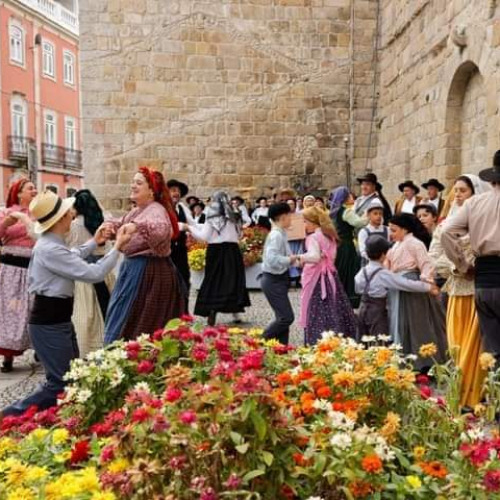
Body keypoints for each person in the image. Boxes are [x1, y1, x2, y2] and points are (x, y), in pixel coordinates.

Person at [0, 190, 130, 418]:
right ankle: (9, 416)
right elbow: (95, 273)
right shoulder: (50, 248)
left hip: (56, 321)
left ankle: (54, 419)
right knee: (60, 383)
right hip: (49, 324)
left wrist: (94, 243)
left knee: (69, 377)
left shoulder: (52, 243)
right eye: (68, 212)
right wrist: (117, 247)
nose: (72, 214)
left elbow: (72, 254)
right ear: (60, 219)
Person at [429, 174, 492, 407]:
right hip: (456, 289)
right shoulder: (447, 223)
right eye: (455, 190)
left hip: (476, 289)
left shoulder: (484, 220)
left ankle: (473, 393)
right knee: (456, 344)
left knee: (474, 347)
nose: (457, 194)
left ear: (475, 193)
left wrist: (472, 265)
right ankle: (459, 390)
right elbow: (434, 256)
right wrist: (457, 266)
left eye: (463, 190)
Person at [104, 167, 185, 344]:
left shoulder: (156, 209)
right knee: (124, 315)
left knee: (138, 322)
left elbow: (161, 229)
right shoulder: (138, 210)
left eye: (139, 183)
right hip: (135, 270)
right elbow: (122, 223)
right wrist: (110, 227)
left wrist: (137, 226)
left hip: (149, 273)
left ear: (151, 191)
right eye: (133, 181)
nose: (133, 185)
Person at [442, 151, 500, 364]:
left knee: (494, 348)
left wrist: (464, 265)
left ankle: (497, 394)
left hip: (483, 281)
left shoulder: (474, 204)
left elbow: (447, 232)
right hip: (487, 274)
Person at [386, 214, 447, 370]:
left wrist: (427, 284)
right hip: (398, 285)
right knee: (401, 323)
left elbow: (426, 265)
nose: (391, 234)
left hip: (412, 286)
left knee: (416, 324)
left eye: (394, 230)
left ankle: (423, 363)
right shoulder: (396, 245)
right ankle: (405, 360)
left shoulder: (415, 243)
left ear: (405, 229)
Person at [187, 191, 251, 326]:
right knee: (232, 280)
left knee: (214, 281)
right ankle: (235, 313)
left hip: (216, 251)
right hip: (232, 251)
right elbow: (239, 235)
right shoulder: (234, 216)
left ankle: (213, 310)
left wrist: (188, 228)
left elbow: (204, 236)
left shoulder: (212, 217)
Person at [355, 236, 438, 337]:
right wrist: (427, 287)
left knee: (362, 337)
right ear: (382, 255)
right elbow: (405, 283)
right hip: (377, 311)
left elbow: (358, 287)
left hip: (363, 307)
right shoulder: (383, 274)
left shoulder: (362, 271)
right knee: (379, 340)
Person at [67, 190, 115, 358]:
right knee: (107, 310)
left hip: (83, 274)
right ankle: (108, 344)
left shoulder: (74, 225)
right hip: (103, 272)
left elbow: (69, 248)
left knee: (85, 317)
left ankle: (86, 350)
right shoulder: (103, 221)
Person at [298, 207, 357, 344]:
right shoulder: (329, 236)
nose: (304, 225)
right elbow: (332, 257)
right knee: (334, 307)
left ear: (312, 222)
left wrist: (299, 257)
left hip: (316, 277)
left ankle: (316, 340)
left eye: (305, 221)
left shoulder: (312, 237)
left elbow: (314, 256)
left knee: (316, 309)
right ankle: (338, 337)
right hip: (330, 276)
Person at [0, 178, 37, 372]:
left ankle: (39, 347)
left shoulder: (39, 213)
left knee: (33, 309)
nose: (35, 190)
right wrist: (7, 222)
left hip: (32, 267)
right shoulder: (7, 212)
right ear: (19, 193)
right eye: (30, 188)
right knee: (10, 311)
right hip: (10, 269)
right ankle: (7, 356)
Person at [261, 203, 297, 344]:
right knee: (286, 318)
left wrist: (297, 259)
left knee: (282, 318)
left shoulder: (280, 233)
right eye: (289, 215)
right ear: (282, 217)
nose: (291, 218)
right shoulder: (276, 235)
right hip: (273, 280)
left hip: (278, 279)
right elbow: (272, 259)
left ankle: (281, 351)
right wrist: (290, 259)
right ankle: (260, 341)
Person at [329, 186, 367, 308]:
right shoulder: (346, 211)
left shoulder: (334, 212)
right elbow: (358, 223)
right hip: (346, 245)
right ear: (345, 198)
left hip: (338, 245)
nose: (352, 197)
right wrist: (368, 215)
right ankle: (350, 298)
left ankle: (337, 298)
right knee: (349, 269)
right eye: (350, 195)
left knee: (340, 269)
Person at [168, 179, 192, 300]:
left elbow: (192, 225)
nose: (176, 193)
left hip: (181, 251)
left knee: (184, 280)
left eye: (178, 191)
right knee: (168, 283)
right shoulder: (163, 209)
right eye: (172, 190)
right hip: (167, 252)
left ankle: (184, 314)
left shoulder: (182, 209)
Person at [357, 198, 390, 266]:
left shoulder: (387, 230)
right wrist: (375, 260)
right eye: (375, 214)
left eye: (380, 214)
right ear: (369, 215)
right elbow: (363, 251)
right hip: (368, 265)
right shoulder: (364, 232)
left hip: (385, 264)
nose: (378, 216)